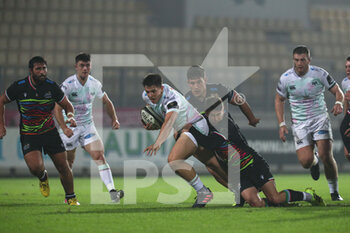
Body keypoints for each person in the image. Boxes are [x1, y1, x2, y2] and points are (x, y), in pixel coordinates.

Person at [189, 96, 326, 207]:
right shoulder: (206, 123)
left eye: (220, 113)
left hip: (253, 164)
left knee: (276, 198)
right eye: (214, 114)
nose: (218, 117)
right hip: (239, 173)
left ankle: (308, 195)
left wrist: (189, 126)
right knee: (255, 203)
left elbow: (208, 140)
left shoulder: (225, 127)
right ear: (207, 114)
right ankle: (276, 204)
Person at [0, 56, 79, 206]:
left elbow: (68, 105)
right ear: (31, 71)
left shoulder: (51, 87)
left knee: (64, 166)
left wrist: (69, 116)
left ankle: (71, 198)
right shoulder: (19, 86)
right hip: (29, 134)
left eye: (44, 68)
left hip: (49, 132)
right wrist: (1, 125)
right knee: (35, 168)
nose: (42, 72)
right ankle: (43, 177)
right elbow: (1, 101)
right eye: (39, 69)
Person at [142, 73, 227, 208]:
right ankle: (242, 189)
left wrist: (158, 142)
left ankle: (203, 192)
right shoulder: (146, 97)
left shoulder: (171, 99)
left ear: (161, 88)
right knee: (212, 164)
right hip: (185, 129)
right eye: (148, 91)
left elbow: (169, 121)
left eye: (154, 91)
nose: (150, 95)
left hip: (195, 126)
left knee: (174, 160)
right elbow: (161, 118)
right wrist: (153, 125)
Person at [275, 45, 344, 201]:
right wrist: (281, 124)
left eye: (302, 60)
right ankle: (314, 162)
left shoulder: (319, 74)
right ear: (293, 60)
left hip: (320, 119)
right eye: (296, 60)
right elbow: (279, 99)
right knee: (305, 162)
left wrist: (339, 103)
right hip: (300, 124)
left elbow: (337, 91)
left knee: (326, 155)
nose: (299, 63)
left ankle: (334, 192)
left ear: (309, 60)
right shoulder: (286, 78)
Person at [54, 53, 124, 203]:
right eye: (82, 65)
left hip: (87, 126)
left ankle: (112, 192)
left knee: (99, 156)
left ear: (90, 66)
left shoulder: (95, 84)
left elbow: (107, 101)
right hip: (70, 128)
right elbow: (57, 108)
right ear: (76, 67)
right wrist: (64, 127)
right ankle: (69, 197)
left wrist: (115, 119)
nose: (85, 68)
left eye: (87, 65)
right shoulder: (68, 85)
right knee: (67, 165)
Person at [340, 56, 350, 161]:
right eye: (346, 67)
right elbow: (347, 102)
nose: (348, 69)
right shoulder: (345, 82)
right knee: (347, 154)